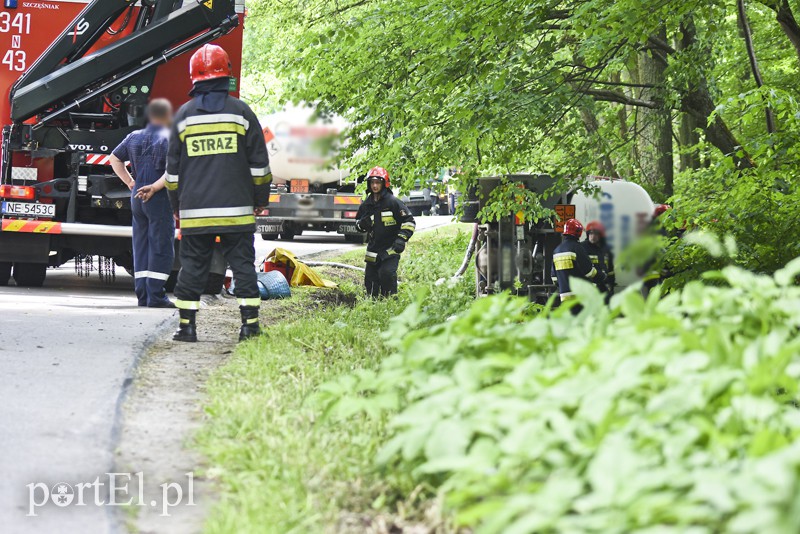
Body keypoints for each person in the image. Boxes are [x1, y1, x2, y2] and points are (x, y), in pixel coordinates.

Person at [138, 44, 271, 342]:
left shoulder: (184, 117)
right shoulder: (242, 113)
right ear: (227, 75)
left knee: (192, 268)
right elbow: (260, 167)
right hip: (237, 213)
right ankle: (249, 327)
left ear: (194, 77)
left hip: (195, 213)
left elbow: (172, 175)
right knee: (242, 267)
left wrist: (176, 207)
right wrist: (260, 201)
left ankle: (187, 328)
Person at [110, 98, 175, 308]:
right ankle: (156, 296)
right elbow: (173, 171)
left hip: (137, 197)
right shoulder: (170, 138)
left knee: (141, 246)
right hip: (158, 197)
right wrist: (155, 187)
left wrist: (130, 181)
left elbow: (114, 158)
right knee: (160, 245)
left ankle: (143, 296)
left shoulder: (133, 137)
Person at [355, 167, 415, 297]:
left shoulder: (393, 202)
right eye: (372, 182)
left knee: (386, 274)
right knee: (370, 281)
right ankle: (373, 305)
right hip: (373, 249)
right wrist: (361, 225)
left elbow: (409, 221)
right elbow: (357, 225)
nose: (375, 186)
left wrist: (401, 239)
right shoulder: (366, 205)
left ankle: (390, 302)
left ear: (384, 183)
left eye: (378, 182)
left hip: (390, 248)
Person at [551, 218, 605, 313]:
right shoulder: (577, 248)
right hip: (580, 297)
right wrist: (602, 276)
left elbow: (554, 278)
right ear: (578, 233)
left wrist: (564, 287)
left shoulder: (557, 250)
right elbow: (590, 272)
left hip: (564, 298)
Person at [581, 221, 615, 300]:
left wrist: (611, 285)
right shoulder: (582, 247)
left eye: (595, 234)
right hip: (588, 287)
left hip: (604, 287)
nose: (592, 236)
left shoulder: (606, 249)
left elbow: (610, 270)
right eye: (590, 233)